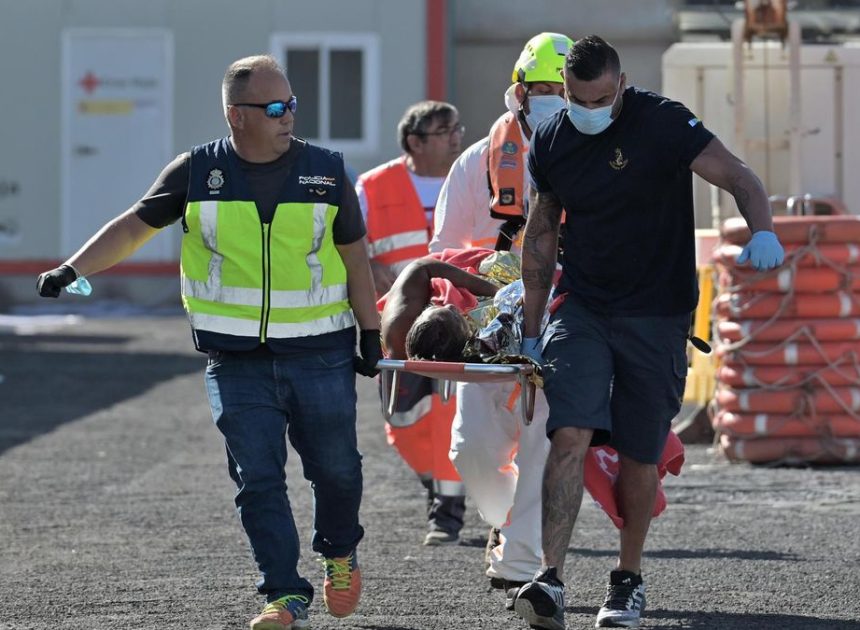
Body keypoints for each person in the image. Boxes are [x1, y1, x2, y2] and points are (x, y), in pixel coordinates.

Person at [36, 55, 382, 630]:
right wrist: (71, 269)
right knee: (258, 479)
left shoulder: (325, 171)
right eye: (275, 108)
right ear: (235, 116)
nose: (289, 116)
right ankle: (283, 595)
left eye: (293, 104)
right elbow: (131, 226)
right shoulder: (195, 173)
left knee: (338, 471)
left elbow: (353, 257)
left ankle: (339, 553)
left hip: (320, 353)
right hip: (235, 360)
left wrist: (370, 331)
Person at [513, 36, 785, 630]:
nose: (592, 109)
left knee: (639, 454)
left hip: (656, 314)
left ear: (622, 85)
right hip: (582, 306)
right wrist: (531, 329)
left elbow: (736, 175)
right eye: (580, 98)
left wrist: (761, 227)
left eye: (604, 98)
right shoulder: (552, 138)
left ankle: (627, 580)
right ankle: (550, 580)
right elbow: (541, 233)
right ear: (563, 92)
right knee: (570, 432)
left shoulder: (661, 122)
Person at [429, 32, 573, 608]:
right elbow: (442, 246)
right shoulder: (479, 160)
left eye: (562, 89)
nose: (554, 98)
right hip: (490, 323)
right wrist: (484, 283)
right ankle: (499, 514)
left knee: (544, 442)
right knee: (472, 449)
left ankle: (516, 562)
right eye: (543, 88)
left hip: (566, 320)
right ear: (519, 91)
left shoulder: (600, 158)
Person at [357, 101, 468, 546]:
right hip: (396, 323)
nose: (456, 135)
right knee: (400, 421)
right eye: (444, 130)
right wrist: (368, 268)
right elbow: (346, 243)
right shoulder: (374, 186)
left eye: (456, 127)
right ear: (414, 142)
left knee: (451, 410)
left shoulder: (472, 176)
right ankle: (438, 482)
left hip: (456, 319)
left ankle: (448, 510)